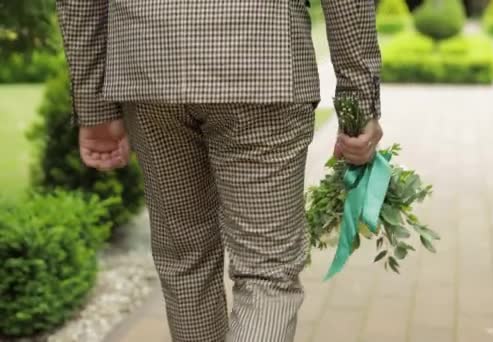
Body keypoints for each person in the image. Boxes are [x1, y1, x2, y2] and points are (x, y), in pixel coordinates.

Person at [56, 0, 383, 340]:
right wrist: (359, 104)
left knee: (185, 263)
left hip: (150, 63)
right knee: (266, 274)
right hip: (262, 60)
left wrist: (95, 109)